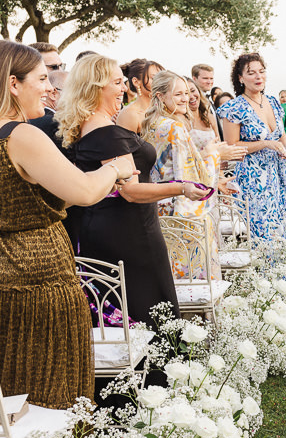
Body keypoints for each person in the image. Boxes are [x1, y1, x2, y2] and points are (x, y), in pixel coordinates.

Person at [0, 41, 131, 409]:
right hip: (40, 282)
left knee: (12, 393)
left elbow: (40, 199)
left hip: (6, 279)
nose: (50, 88)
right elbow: (86, 192)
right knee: (50, 391)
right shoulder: (21, 135)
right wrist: (114, 169)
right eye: (42, 79)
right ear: (13, 83)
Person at [56, 55, 206, 325]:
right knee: (148, 307)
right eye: (117, 82)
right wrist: (181, 187)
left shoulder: (91, 126)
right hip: (129, 234)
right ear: (96, 87)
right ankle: (158, 367)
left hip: (112, 227)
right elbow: (130, 191)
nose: (124, 87)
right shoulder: (105, 133)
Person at [142, 71, 244, 280]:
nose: (186, 99)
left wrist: (205, 154)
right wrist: (215, 154)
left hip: (158, 207)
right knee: (192, 276)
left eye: (186, 93)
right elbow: (192, 179)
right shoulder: (174, 127)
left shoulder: (151, 123)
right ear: (160, 96)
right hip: (182, 214)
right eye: (178, 94)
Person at [218, 53, 286, 239]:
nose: (258, 77)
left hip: (277, 176)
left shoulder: (273, 102)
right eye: (251, 73)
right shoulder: (234, 108)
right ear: (240, 78)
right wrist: (265, 143)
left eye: (262, 71)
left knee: (280, 230)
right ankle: (264, 268)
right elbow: (231, 146)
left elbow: (281, 134)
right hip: (254, 179)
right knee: (262, 235)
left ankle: (282, 268)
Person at [116, 58, 164, 132]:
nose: (160, 83)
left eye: (161, 78)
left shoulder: (164, 109)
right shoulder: (129, 114)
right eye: (154, 78)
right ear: (136, 82)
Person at [185, 78, 221, 153]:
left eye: (193, 91)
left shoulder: (209, 117)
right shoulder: (182, 122)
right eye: (186, 93)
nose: (191, 96)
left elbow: (219, 144)